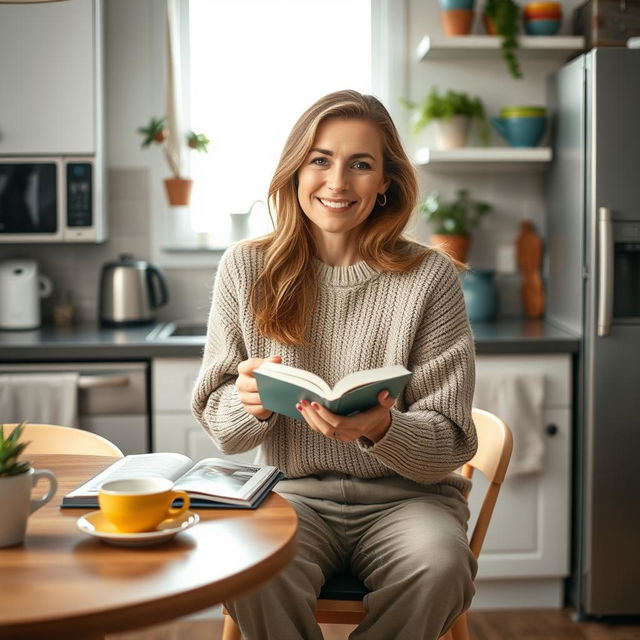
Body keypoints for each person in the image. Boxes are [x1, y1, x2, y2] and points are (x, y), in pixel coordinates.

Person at [192, 89, 478, 640]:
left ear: (386, 182)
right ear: (296, 170)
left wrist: (385, 427)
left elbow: (452, 439)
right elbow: (220, 422)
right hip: (291, 495)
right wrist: (248, 403)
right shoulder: (246, 269)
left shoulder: (429, 277)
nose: (337, 183)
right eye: (320, 159)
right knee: (250, 570)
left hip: (410, 500)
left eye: (361, 165)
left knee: (439, 567)